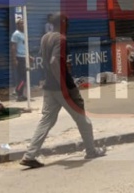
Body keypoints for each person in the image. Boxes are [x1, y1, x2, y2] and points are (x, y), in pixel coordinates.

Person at [20, 13, 106, 169]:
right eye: (67, 21)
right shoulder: (61, 39)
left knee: (47, 121)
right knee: (83, 120)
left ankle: (29, 156)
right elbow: (54, 61)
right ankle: (91, 151)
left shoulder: (45, 38)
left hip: (49, 87)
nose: (69, 23)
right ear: (63, 22)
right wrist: (63, 85)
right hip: (62, 86)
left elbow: (48, 60)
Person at [10, 20, 28, 102]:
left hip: (24, 57)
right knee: (22, 77)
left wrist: (28, 56)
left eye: (23, 23)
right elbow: (13, 47)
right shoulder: (16, 34)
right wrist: (14, 59)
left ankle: (20, 94)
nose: (23, 25)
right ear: (17, 25)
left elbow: (24, 47)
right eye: (21, 24)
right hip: (19, 57)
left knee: (24, 77)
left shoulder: (24, 34)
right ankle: (17, 92)